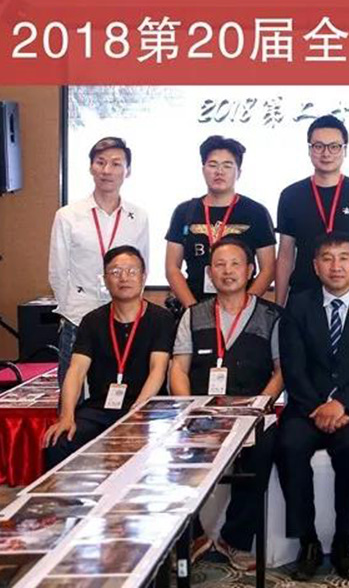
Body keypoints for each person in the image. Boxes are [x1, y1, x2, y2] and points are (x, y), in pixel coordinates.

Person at [276, 232, 349, 580]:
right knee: (289, 445)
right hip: (307, 405)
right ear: (315, 266)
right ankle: (308, 543)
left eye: (344, 258)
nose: (336, 265)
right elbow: (293, 367)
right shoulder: (298, 306)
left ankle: (344, 541)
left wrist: (342, 404)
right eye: (327, 258)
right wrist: (318, 407)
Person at [168, 236, 283, 571]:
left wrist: (260, 406)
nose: (227, 271)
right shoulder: (194, 315)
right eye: (219, 265)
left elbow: (281, 371)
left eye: (235, 264)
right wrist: (189, 408)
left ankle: (236, 538)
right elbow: (179, 367)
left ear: (250, 270)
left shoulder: (271, 315)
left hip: (252, 411)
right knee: (173, 450)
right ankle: (194, 536)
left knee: (263, 449)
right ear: (209, 272)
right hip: (202, 411)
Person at [43, 246, 174, 467]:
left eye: (132, 271)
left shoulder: (161, 318)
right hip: (101, 409)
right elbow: (76, 371)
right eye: (115, 272)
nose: (124, 277)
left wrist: (135, 413)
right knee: (59, 442)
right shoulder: (92, 321)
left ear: (143, 277)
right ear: (105, 279)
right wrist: (66, 416)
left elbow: (158, 369)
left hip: (146, 409)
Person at [48, 137, 149, 388]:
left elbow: (142, 268)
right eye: (100, 162)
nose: (107, 170)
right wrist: (70, 308)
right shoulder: (68, 216)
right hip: (79, 315)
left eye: (116, 163)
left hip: (123, 317)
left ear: (127, 171)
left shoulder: (138, 216)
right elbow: (58, 271)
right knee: (73, 391)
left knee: (121, 387)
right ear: (91, 167)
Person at [275, 115, 349, 306]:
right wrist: (278, 305)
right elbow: (285, 255)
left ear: (345, 150)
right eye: (318, 146)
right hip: (302, 297)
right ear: (309, 150)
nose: (326, 153)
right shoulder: (291, 195)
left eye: (334, 146)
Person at [165, 135, 276, 309]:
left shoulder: (256, 212)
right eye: (213, 165)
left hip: (242, 309)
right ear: (203, 169)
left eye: (227, 165)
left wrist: (244, 308)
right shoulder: (184, 211)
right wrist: (193, 310)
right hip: (194, 303)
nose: (219, 171)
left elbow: (268, 269)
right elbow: (172, 267)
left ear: (239, 172)